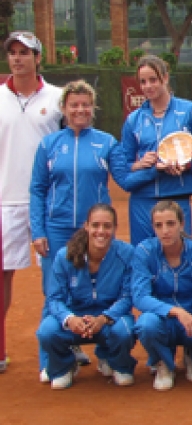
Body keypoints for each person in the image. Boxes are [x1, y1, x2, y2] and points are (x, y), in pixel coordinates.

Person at [30, 81, 142, 380]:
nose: (80, 110)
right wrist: (38, 230)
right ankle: (54, 359)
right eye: (74, 105)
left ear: (93, 109)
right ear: (64, 109)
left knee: (105, 286)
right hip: (58, 227)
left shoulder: (106, 142)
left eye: (85, 105)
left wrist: (144, 165)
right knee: (52, 291)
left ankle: (107, 353)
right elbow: (38, 189)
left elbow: (124, 177)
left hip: (97, 227)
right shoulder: (49, 145)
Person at [1, 31, 61, 372]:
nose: (17, 58)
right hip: (4, 202)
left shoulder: (57, 98)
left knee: (56, 277)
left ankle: (62, 343)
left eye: (24, 52)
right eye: (12, 52)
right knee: (3, 277)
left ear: (38, 57)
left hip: (49, 203)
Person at [36, 204, 137, 389]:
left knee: (126, 330)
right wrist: (70, 319)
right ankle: (64, 366)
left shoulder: (127, 254)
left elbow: (128, 296)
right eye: (96, 225)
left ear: (115, 229)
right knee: (47, 331)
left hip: (109, 318)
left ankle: (115, 361)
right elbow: (54, 298)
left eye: (107, 226)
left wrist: (104, 318)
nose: (101, 231)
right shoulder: (64, 256)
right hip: (76, 319)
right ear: (86, 226)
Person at [132, 200, 192, 391]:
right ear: (153, 228)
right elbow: (140, 297)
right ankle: (164, 363)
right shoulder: (144, 252)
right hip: (162, 316)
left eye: (170, 223)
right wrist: (175, 311)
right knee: (145, 325)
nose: (165, 230)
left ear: (181, 224)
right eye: (159, 225)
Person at [121, 55, 192, 245]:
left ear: (165, 78)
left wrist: (186, 165)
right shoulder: (133, 120)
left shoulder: (191, 111)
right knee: (144, 255)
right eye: (143, 82)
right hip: (142, 199)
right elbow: (124, 164)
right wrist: (140, 164)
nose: (148, 86)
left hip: (177, 196)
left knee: (180, 254)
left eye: (153, 79)